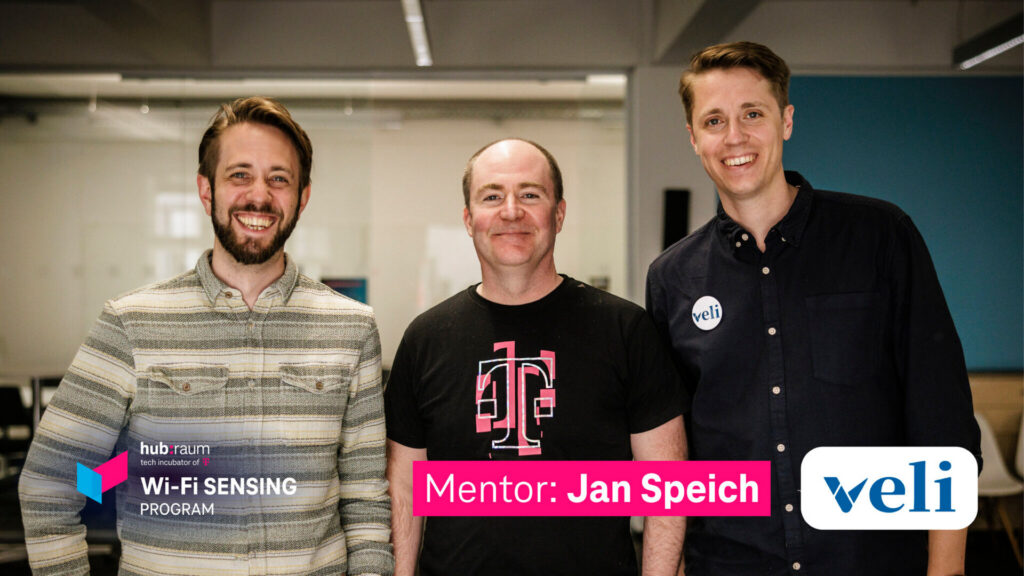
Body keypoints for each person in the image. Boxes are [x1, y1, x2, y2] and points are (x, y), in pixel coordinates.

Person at [19, 96, 393, 576]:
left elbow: (365, 503)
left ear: (302, 197)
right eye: (239, 175)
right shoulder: (131, 323)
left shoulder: (352, 328)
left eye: (279, 179)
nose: (259, 196)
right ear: (205, 189)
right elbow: (51, 484)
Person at [645, 41, 981, 576]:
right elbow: (673, 453)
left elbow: (941, 413)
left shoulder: (880, 238)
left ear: (786, 121)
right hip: (732, 563)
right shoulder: (672, 278)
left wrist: (947, 570)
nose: (734, 137)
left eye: (752, 114)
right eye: (714, 120)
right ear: (693, 137)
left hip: (869, 562)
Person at [385, 138, 686, 576]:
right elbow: (404, 489)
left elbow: (668, 487)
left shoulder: (625, 331)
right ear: (468, 219)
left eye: (530, 194)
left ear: (558, 214)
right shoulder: (425, 339)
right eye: (492, 197)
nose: (511, 211)